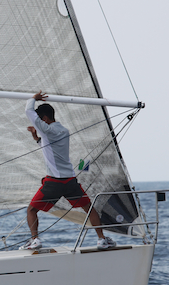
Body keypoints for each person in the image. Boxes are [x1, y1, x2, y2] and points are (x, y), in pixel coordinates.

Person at [23, 90, 116, 250]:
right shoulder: (64, 131)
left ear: (45, 119)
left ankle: (35, 240)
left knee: (31, 210)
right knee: (89, 209)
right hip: (70, 182)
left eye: (40, 120)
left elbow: (28, 111)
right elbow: (51, 148)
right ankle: (101, 239)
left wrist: (33, 98)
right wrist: (36, 138)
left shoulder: (47, 129)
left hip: (54, 183)